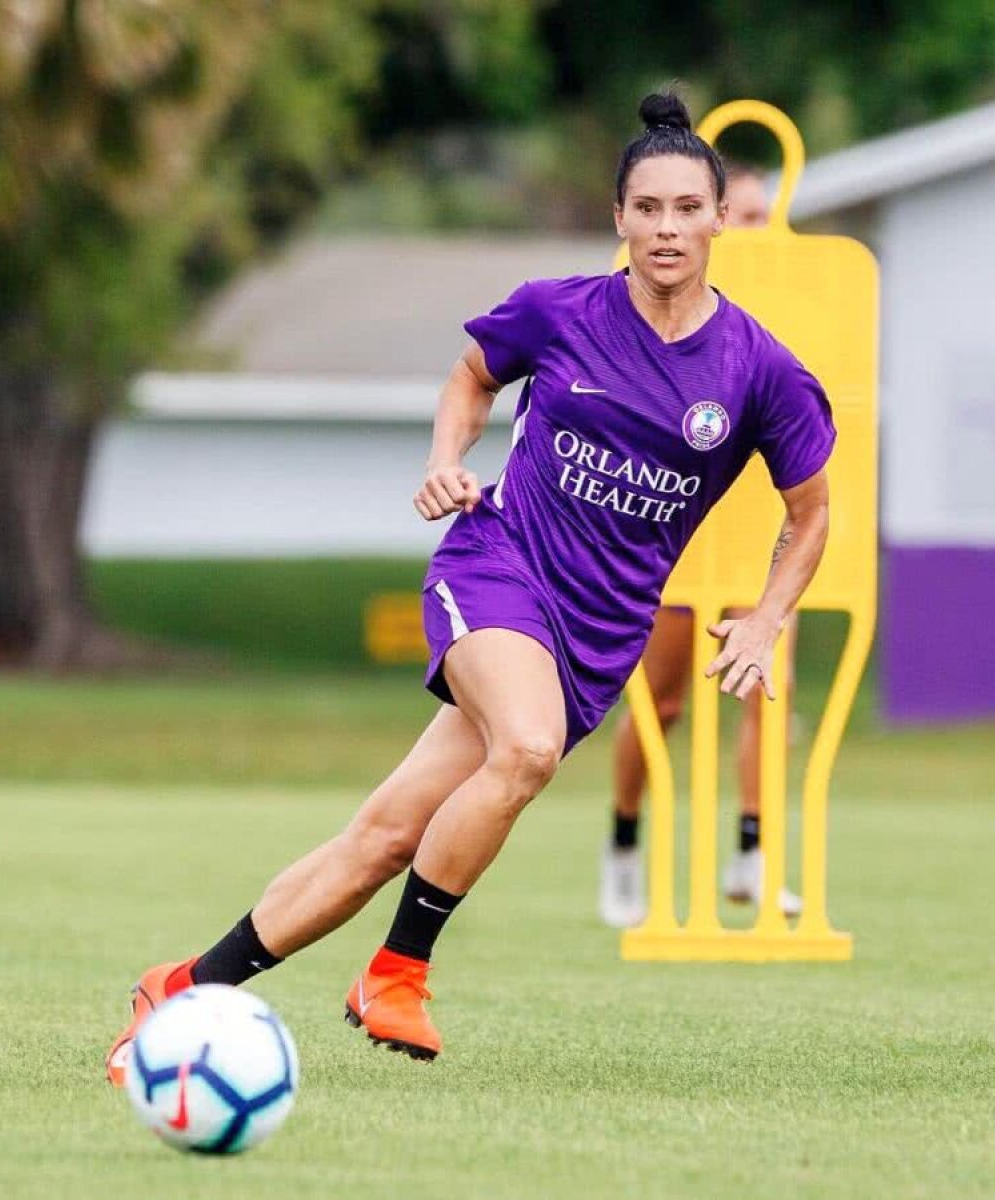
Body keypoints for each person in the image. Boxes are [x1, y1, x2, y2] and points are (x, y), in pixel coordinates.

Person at [106, 91, 835, 1078]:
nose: (667, 228)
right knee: (525, 748)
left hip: (598, 634)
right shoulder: (557, 311)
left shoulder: (760, 371)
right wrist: (446, 459)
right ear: (618, 217)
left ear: (718, 220)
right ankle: (397, 972)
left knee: (384, 838)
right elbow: (470, 377)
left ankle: (185, 986)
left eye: (687, 209)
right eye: (647, 208)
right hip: (498, 569)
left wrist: (767, 618)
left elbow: (810, 514)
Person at [598, 162, 806, 928]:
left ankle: (753, 852)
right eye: (743, 215)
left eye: (763, 216)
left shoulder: (792, 306)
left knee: (769, 688)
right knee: (662, 701)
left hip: (758, 529)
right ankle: (624, 841)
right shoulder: (661, 302)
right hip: (676, 528)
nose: (756, 231)